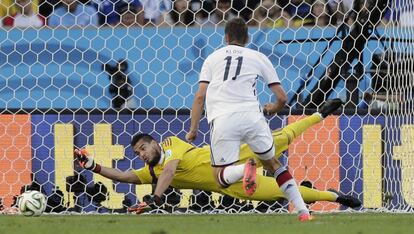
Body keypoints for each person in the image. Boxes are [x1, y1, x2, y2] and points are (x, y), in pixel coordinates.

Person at [75, 99, 360, 215]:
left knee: (282, 138)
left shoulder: (171, 145)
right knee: (286, 193)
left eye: (143, 149)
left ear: (153, 143)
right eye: (137, 154)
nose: (141, 155)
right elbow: (124, 176)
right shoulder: (151, 172)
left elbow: (171, 171)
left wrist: (156, 198)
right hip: (232, 184)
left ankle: (319, 115)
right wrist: (93, 166)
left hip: (233, 154)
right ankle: (334, 196)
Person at [185, 17, 310, 221]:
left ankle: (245, 169)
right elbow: (282, 97)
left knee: (220, 178)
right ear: (248, 38)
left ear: (226, 37)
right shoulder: (258, 57)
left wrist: (193, 129)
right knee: (273, 164)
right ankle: (303, 211)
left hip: (224, 120)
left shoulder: (212, 58)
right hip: (253, 117)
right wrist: (275, 107)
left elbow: (200, 96)